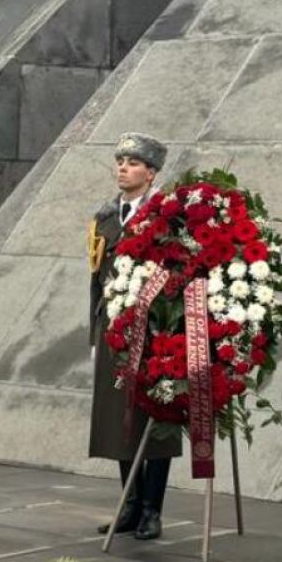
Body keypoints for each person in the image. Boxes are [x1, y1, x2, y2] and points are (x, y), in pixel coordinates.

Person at [88, 133, 182, 541]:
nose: (123, 168)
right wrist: (96, 333)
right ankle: (129, 502)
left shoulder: (168, 217)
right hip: (116, 330)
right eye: (120, 160)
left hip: (156, 332)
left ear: (151, 172)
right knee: (119, 421)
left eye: (132, 162)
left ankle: (152, 509)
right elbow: (97, 282)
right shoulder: (106, 218)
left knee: (156, 421)